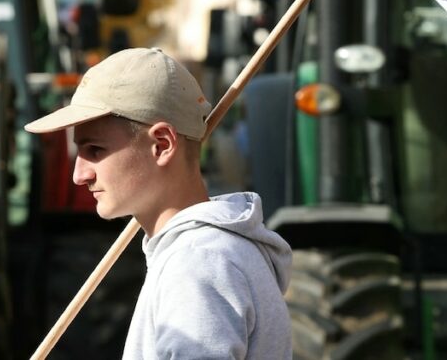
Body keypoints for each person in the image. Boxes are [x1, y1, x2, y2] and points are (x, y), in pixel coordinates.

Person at [25, 47, 292, 360]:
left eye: (94, 150)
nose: (79, 175)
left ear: (162, 144)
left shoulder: (198, 263)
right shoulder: (202, 254)